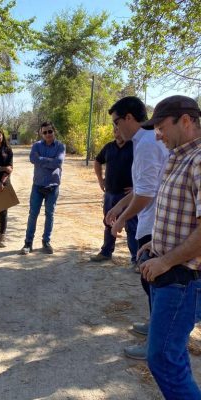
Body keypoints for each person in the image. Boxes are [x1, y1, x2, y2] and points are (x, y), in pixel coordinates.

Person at [138, 95, 201, 399]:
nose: (157, 134)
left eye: (161, 127)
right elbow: (182, 215)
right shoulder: (179, 156)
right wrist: (156, 243)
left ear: (185, 121)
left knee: (162, 357)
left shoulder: (199, 160)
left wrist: (164, 261)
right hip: (169, 274)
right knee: (172, 355)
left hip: (183, 279)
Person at [105, 96, 169, 360]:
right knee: (152, 285)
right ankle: (155, 327)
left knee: (155, 284)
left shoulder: (146, 145)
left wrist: (121, 219)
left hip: (154, 224)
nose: (115, 128)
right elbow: (142, 188)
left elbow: (145, 194)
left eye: (117, 121)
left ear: (130, 118)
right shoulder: (147, 142)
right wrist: (119, 206)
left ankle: (156, 344)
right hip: (153, 222)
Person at [90, 125, 138, 265]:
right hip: (110, 194)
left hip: (127, 196)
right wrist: (100, 180)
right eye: (115, 130)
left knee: (132, 226)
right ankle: (106, 252)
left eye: (120, 129)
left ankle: (136, 260)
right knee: (108, 222)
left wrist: (136, 187)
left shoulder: (134, 147)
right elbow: (98, 161)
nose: (118, 133)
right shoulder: (108, 147)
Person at [20, 121, 66, 255]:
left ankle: (46, 242)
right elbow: (33, 159)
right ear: (41, 133)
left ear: (54, 131)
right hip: (38, 186)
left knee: (50, 214)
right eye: (44, 132)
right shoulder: (36, 146)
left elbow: (59, 162)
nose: (47, 134)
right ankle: (28, 243)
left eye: (50, 131)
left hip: (53, 186)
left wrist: (42, 160)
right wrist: (50, 161)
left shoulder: (60, 146)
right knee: (33, 214)